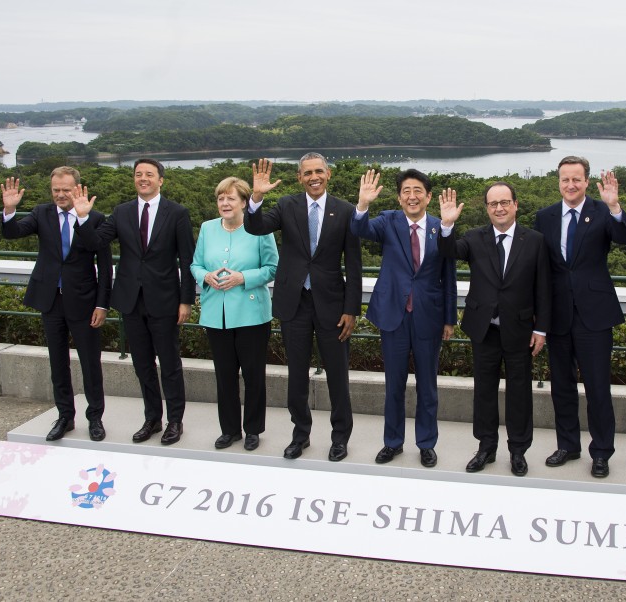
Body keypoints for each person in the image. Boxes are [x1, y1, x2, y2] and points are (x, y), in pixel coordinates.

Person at [245, 154, 362, 462]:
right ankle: (301, 435)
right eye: (307, 172)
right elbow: (255, 226)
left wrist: (351, 309)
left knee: (338, 376)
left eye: (319, 171)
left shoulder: (346, 210)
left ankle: (340, 438)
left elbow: (354, 264)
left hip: (333, 307)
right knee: (296, 375)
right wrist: (256, 196)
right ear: (299, 177)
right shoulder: (286, 206)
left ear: (329, 174)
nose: (314, 177)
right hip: (293, 304)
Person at [72, 158, 195, 446]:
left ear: (160, 180)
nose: (143, 179)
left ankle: (175, 421)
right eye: (138, 174)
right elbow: (95, 243)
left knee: (170, 364)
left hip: (165, 300)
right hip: (130, 301)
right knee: (142, 364)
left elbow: (187, 259)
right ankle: (152, 418)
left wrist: (186, 300)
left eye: (149, 174)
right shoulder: (122, 212)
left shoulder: (177, 212)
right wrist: (82, 218)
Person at [438, 183, 551, 477]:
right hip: (484, 329)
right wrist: (447, 225)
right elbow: (448, 251)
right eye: (493, 204)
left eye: (504, 202)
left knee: (519, 392)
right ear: (486, 208)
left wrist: (541, 329)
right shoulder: (475, 238)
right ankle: (486, 447)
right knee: (484, 392)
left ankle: (518, 451)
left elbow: (544, 289)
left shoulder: (535, 240)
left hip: (520, 330)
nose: (499, 208)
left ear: (515, 204)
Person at [533, 156, 626, 479]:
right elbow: (542, 270)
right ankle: (568, 445)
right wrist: (540, 321)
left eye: (576, 179)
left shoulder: (603, 211)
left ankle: (602, 451)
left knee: (597, 389)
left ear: (587, 182)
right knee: (561, 386)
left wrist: (615, 206)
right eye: (565, 180)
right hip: (559, 316)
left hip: (595, 315)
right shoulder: (545, 217)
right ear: (558, 182)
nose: (570, 185)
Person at [351, 168, 457, 468]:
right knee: (394, 384)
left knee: (428, 386)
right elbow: (360, 230)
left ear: (428, 196)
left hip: (429, 317)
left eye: (418, 191)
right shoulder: (388, 221)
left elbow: (448, 277)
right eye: (406, 191)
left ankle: (426, 444)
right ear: (399, 197)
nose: (412, 196)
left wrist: (449, 319)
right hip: (393, 316)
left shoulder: (442, 227)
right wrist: (362, 205)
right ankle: (392, 443)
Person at [0, 167, 112, 442]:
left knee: (90, 363)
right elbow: (12, 232)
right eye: (56, 190)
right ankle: (65, 416)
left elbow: (106, 267)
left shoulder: (95, 218)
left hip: (85, 302)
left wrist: (102, 305)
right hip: (50, 300)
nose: (61, 195)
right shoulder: (41, 213)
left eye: (66, 190)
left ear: (77, 188)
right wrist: (9, 210)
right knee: (57, 361)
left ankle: (95, 418)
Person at [191, 177, 279, 451]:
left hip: (252, 314)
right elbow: (195, 264)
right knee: (224, 376)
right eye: (221, 198)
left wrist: (244, 277)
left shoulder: (260, 229)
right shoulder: (207, 228)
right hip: (217, 315)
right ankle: (229, 430)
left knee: (253, 375)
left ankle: (252, 429)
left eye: (231, 198)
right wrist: (206, 275)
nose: (225, 203)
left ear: (243, 202)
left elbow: (273, 267)